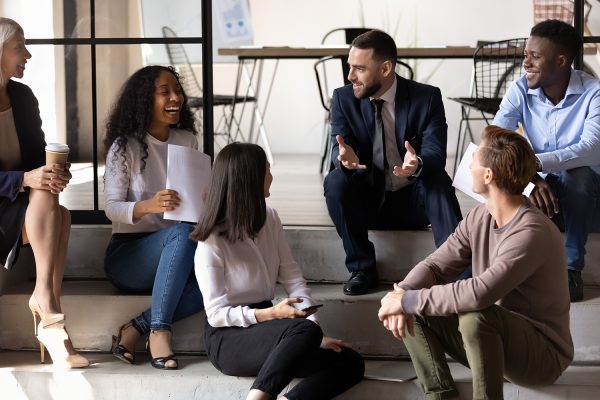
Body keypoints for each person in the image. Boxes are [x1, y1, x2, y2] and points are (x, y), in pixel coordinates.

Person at [378, 126, 573, 399]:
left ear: (488, 175)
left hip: (541, 356)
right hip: (493, 341)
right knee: (417, 306)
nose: (468, 165)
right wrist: (402, 294)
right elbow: (435, 266)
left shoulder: (532, 231)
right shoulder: (480, 216)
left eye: (474, 159)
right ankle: (441, 395)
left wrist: (407, 299)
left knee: (474, 315)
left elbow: (481, 292)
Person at [191, 143, 364, 400]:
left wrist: (312, 333)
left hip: (274, 329)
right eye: (267, 169)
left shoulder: (270, 218)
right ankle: (257, 398)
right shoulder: (211, 240)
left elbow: (293, 278)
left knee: (349, 360)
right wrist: (274, 314)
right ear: (249, 179)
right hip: (228, 338)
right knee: (304, 330)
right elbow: (216, 315)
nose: (271, 175)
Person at [324, 29, 463, 296]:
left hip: (412, 201)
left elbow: (435, 151)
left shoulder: (427, 97)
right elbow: (338, 145)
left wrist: (418, 163)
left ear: (386, 68)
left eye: (359, 69)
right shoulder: (343, 98)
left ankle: (457, 272)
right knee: (335, 181)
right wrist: (343, 159)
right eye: (350, 67)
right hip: (367, 200)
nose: (350, 76)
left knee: (438, 179)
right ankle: (362, 268)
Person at [0, 17, 88, 368]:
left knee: (53, 201)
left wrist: (52, 174)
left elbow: (37, 157)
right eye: (20, 46)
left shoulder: (22, 96)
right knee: (59, 214)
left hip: (20, 205)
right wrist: (26, 179)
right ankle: (50, 310)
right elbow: (27, 175)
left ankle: (47, 307)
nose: (28, 54)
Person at [103, 65, 204, 370]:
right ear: (144, 100)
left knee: (221, 277)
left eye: (178, 90)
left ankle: (136, 328)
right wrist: (148, 206)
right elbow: (111, 207)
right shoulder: (125, 146)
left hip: (179, 249)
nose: (176, 98)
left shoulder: (187, 140)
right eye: (165, 92)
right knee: (182, 232)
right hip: (129, 256)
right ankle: (159, 330)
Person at [493, 19, 600, 302]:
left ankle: (570, 270)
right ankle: (507, 266)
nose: (525, 63)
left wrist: (534, 164)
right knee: (496, 173)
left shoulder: (594, 92)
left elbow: (591, 149)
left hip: (588, 196)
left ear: (562, 60)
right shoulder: (520, 89)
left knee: (578, 173)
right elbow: (495, 140)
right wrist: (531, 178)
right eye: (525, 55)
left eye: (535, 56)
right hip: (546, 190)